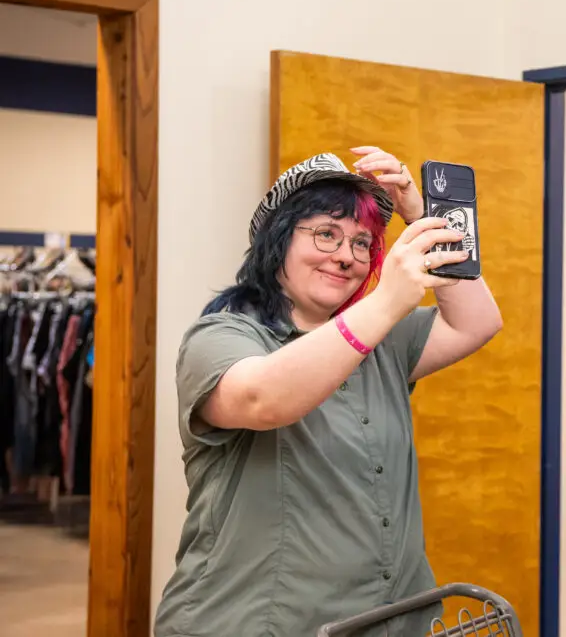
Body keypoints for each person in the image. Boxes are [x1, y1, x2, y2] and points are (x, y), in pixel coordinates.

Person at [153, 147, 503, 637]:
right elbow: (263, 398)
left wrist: (421, 215)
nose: (346, 256)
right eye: (326, 234)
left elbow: (478, 321)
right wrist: (386, 302)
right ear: (277, 241)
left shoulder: (385, 342)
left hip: (388, 621)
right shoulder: (219, 338)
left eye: (363, 244)